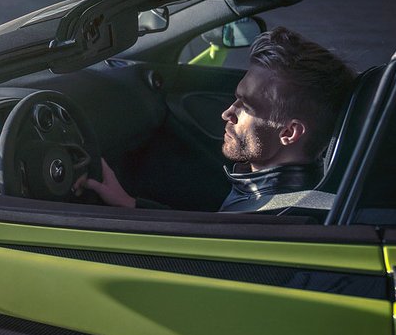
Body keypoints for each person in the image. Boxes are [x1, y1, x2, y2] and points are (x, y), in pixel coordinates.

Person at [77, 26, 356, 212]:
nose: (227, 113)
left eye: (247, 106)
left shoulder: (272, 218)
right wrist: (130, 204)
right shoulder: (268, 192)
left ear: (289, 133)